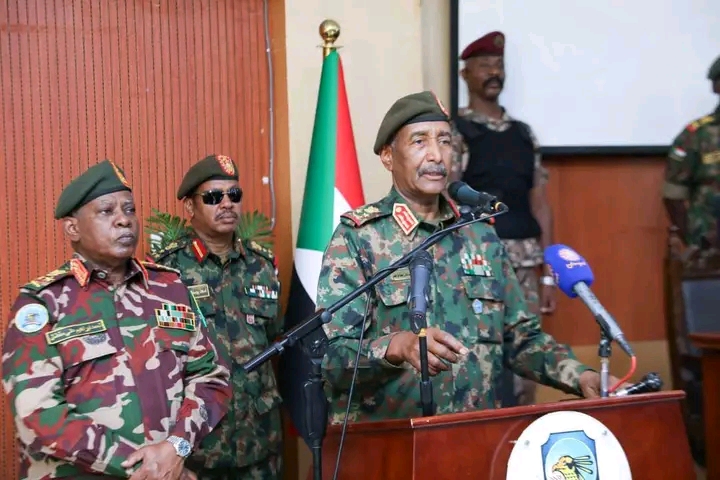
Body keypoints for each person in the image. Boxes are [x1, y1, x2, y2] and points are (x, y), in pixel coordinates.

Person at [316, 91, 618, 424]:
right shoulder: (359, 238)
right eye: (419, 141)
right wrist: (397, 346)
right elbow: (331, 358)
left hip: (476, 435)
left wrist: (580, 376)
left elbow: (521, 339)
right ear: (388, 156)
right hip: (394, 439)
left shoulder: (481, 236)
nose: (436, 155)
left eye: (445, 142)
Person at [2, 159, 231, 480]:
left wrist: (176, 447)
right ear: (72, 228)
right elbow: (36, 413)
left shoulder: (171, 288)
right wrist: (146, 468)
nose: (124, 220)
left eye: (130, 209)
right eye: (106, 211)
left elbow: (211, 376)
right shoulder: (42, 304)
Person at [150, 154, 284, 480]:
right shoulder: (166, 272)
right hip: (198, 447)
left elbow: (275, 340)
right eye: (213, 197)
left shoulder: (262, 266)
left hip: (259, 442)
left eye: (234, 195)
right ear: (190, 206)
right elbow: (155, 361)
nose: (226, 204)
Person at [451, 31, 556, 408]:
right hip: (479, 263)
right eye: (484, 66)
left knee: (528, 354)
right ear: (465, 74)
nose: (494, 72)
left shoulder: (524, 134)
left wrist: (549, 272)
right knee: (481, 356)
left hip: (526, 262)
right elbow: (449, 198)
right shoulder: (456, 132)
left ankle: (524, 431)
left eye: (498, 65)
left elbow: (540, 203)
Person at [662, 54, 720, 250]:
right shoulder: (696, 135)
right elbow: (673, 195)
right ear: (716, 87)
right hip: (712, 248)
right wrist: (695, 241)